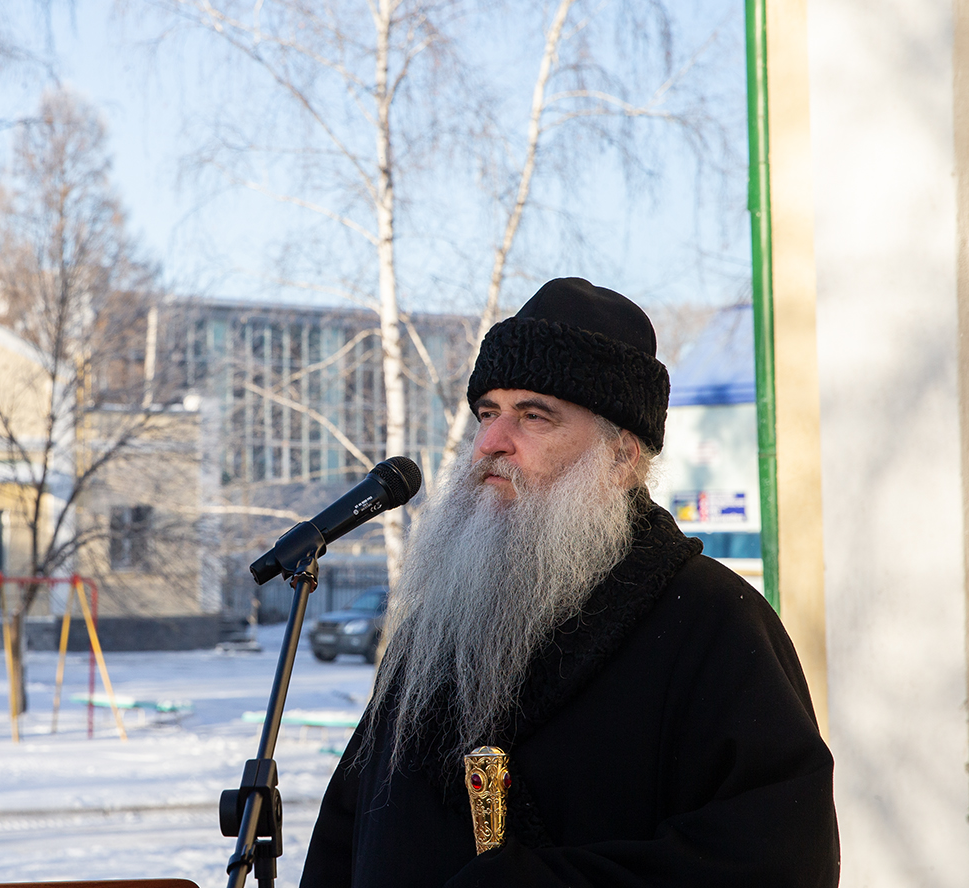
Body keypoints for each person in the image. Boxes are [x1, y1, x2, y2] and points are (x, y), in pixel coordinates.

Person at [299, 277, 839, 888]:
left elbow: (779, 860)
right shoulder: (436, 630)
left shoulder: (714, 623)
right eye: (487, 413)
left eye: (534, 417)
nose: (491, 444)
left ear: (620, 456)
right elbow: (349, 835)